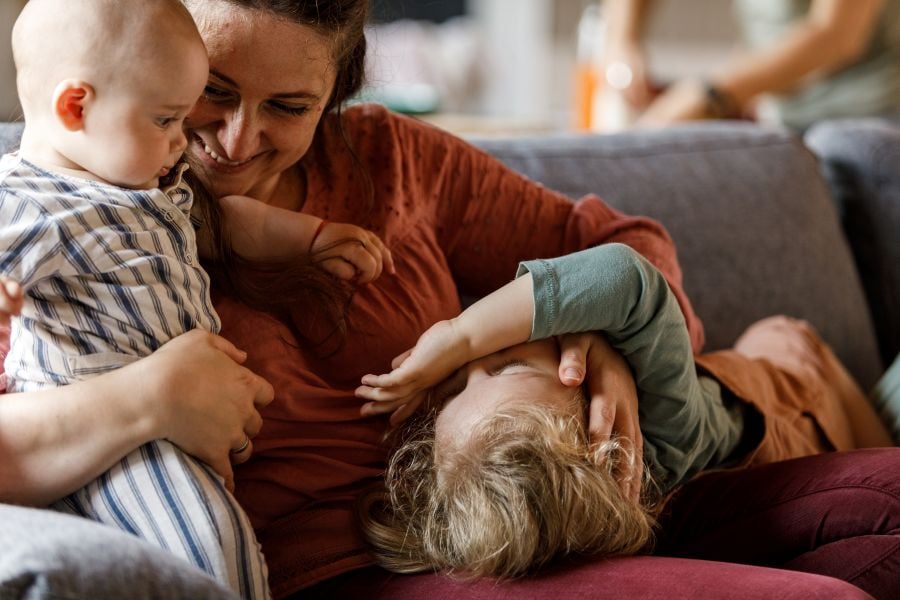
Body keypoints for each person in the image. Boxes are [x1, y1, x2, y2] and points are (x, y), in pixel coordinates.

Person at [1, 1, 898, 600]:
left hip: (582, 494)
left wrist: (598, 335)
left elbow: (629, 248)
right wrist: (146, 399)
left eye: (289, 106)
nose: (238, 139)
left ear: (335, 101)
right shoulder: (83, 219)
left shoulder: (392, 164)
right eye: (212, 96)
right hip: (370, 566)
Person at [0, 0, 392, 596]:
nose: (186, 142)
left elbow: (227, 224)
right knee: (210, 546)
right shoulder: (34, 203)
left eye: (288, 105)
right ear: (75, 106)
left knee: (221, 542)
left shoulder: (138, 183)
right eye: (166, 120)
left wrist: (312, 237)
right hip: (108, 439)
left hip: (175, 437)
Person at [353, 243, 893, 577]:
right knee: (783, 334)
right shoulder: (664, 430)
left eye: (452, 387)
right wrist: (457, 335)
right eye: (504, 363)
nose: (475, 358)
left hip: (760, 399)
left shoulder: (600, 496)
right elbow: (623, 277)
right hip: (803, 399)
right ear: (602, 419)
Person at [599, 0, 900, 130]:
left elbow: (837, 35)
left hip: (869, 118)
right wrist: (622, 38)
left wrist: (706, 96)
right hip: (781, 116)